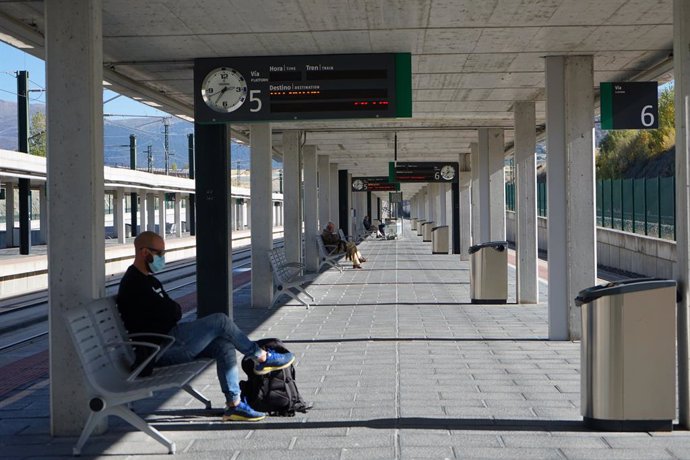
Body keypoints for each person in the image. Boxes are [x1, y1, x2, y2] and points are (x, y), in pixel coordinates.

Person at [117, 231, 295, 422]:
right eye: (159, 253)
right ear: (144, 252)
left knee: (223, 344)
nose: (162, 258)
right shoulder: (133, 284)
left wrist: (169, 311)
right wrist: (169, 311)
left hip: (171, 338)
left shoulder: (150, 280)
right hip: (158, 349)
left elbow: (172, 311)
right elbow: (169, 314)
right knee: (220, 320)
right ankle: (261, 357)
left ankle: (234, 405)